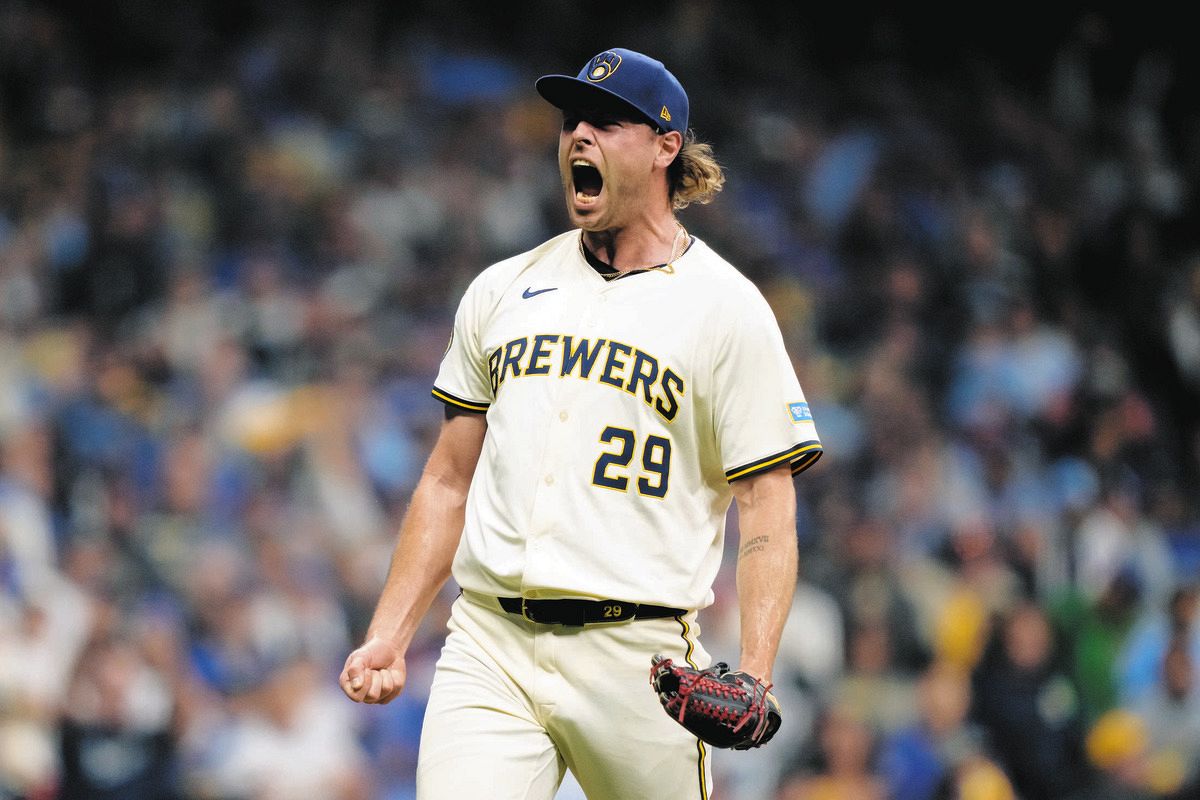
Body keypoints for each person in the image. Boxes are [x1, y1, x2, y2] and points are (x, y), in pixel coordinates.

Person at [339, 47, 823, 799]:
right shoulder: (503, 288)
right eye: (572, 122)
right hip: (491, 644)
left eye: (607, 122)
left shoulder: (728, 309)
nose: (579, 136)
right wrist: (389, 633)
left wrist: (756, 674)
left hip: (640, 659)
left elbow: (767, 506)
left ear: (666, 147)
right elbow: (446, 480)